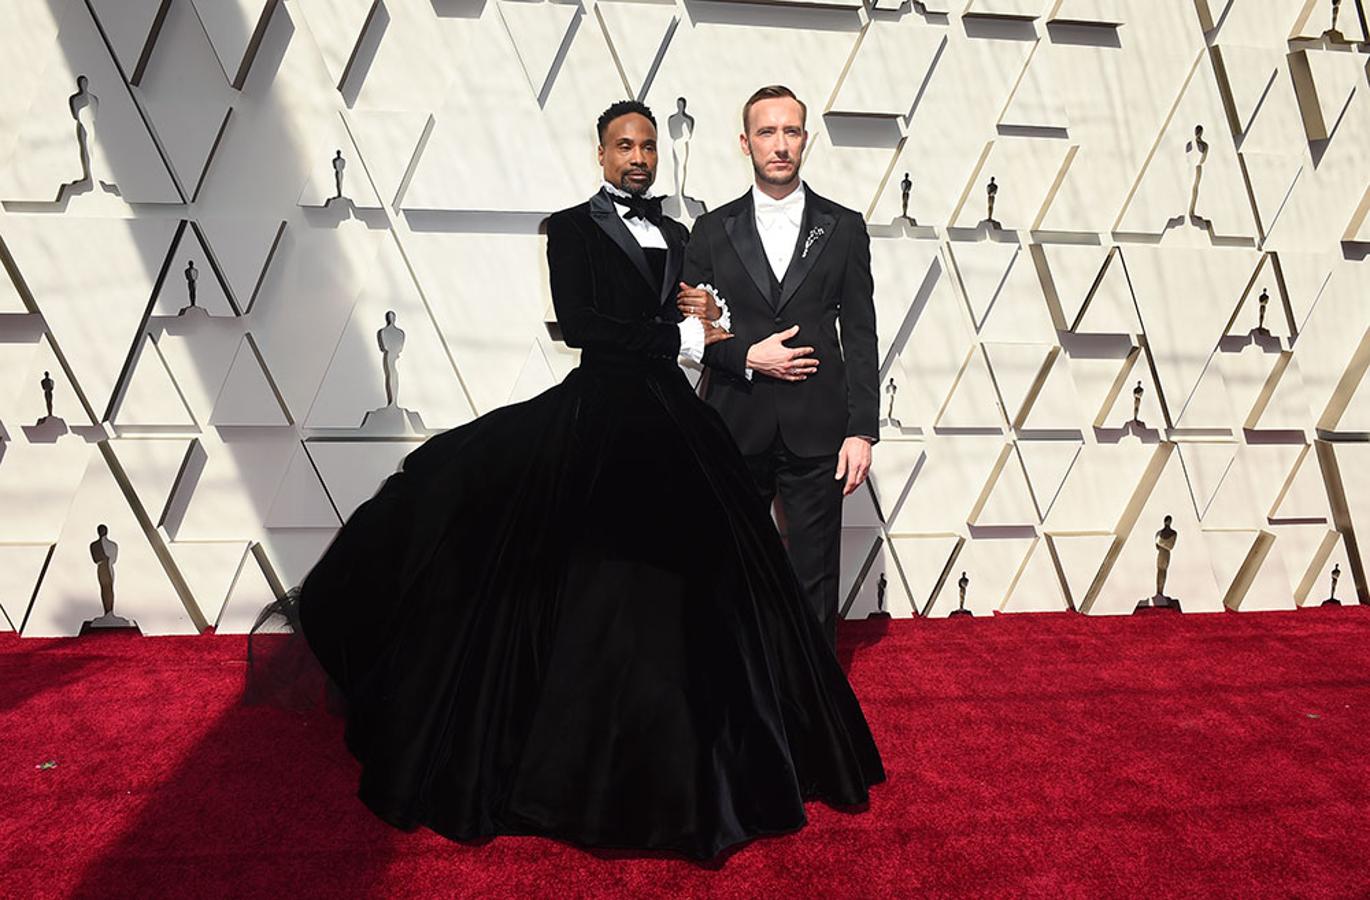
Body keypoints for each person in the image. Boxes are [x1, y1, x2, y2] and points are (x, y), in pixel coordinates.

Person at [289, 100, 884, 860]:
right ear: (600, 154)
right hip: (600, 410)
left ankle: (702, 748)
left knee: (686, 588)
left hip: (673, 414)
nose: (637, 158)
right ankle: (581, 754)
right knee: (586, 579)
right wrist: (680, 333)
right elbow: (582, 326)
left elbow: (709, 324)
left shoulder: (682, 235)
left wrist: (711, 326)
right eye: (623, 146)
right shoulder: (569, 229)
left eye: (647, 147)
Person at [677, 85, 878, 648]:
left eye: (791, 131)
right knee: (729, 567)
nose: (780, 144)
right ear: (746, 143)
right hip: (734, 421)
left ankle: (812, 692)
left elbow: (860, 333)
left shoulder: (843, 226)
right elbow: (689, 332)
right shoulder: (711, 230)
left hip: (818, 428)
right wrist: (746, 355)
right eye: (767, 132)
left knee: (816, 577)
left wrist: (861, 430)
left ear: (806, 140)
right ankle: (737, 687)